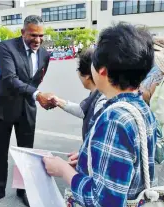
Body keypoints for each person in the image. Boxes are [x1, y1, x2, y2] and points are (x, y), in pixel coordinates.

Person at [43, 23, 157, 206]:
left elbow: (104, 201)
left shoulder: (114, 119)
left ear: (102, 70)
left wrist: (63, 170)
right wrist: (90, 157)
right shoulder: (140, 107)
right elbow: (130, 164)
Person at [0, 15, 54, 207]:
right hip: (3, 109)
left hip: (27, 110)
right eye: (33, 35)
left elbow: (37, 78)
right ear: (23, 32)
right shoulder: (7, 47)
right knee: (0, 152)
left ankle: (23, 190)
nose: (37, 40)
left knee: (26, 153)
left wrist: (35, 95)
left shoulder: (44, 54)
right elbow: (10, 79)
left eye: (41, 36)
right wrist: (37, 95)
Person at [49, 49, 106, 141]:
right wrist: (58, 101)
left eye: (78, 70)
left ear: (87, 75)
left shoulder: (101, 102)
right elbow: (82, 111)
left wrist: (85, 154)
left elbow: (100, 140)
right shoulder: (97, 94)